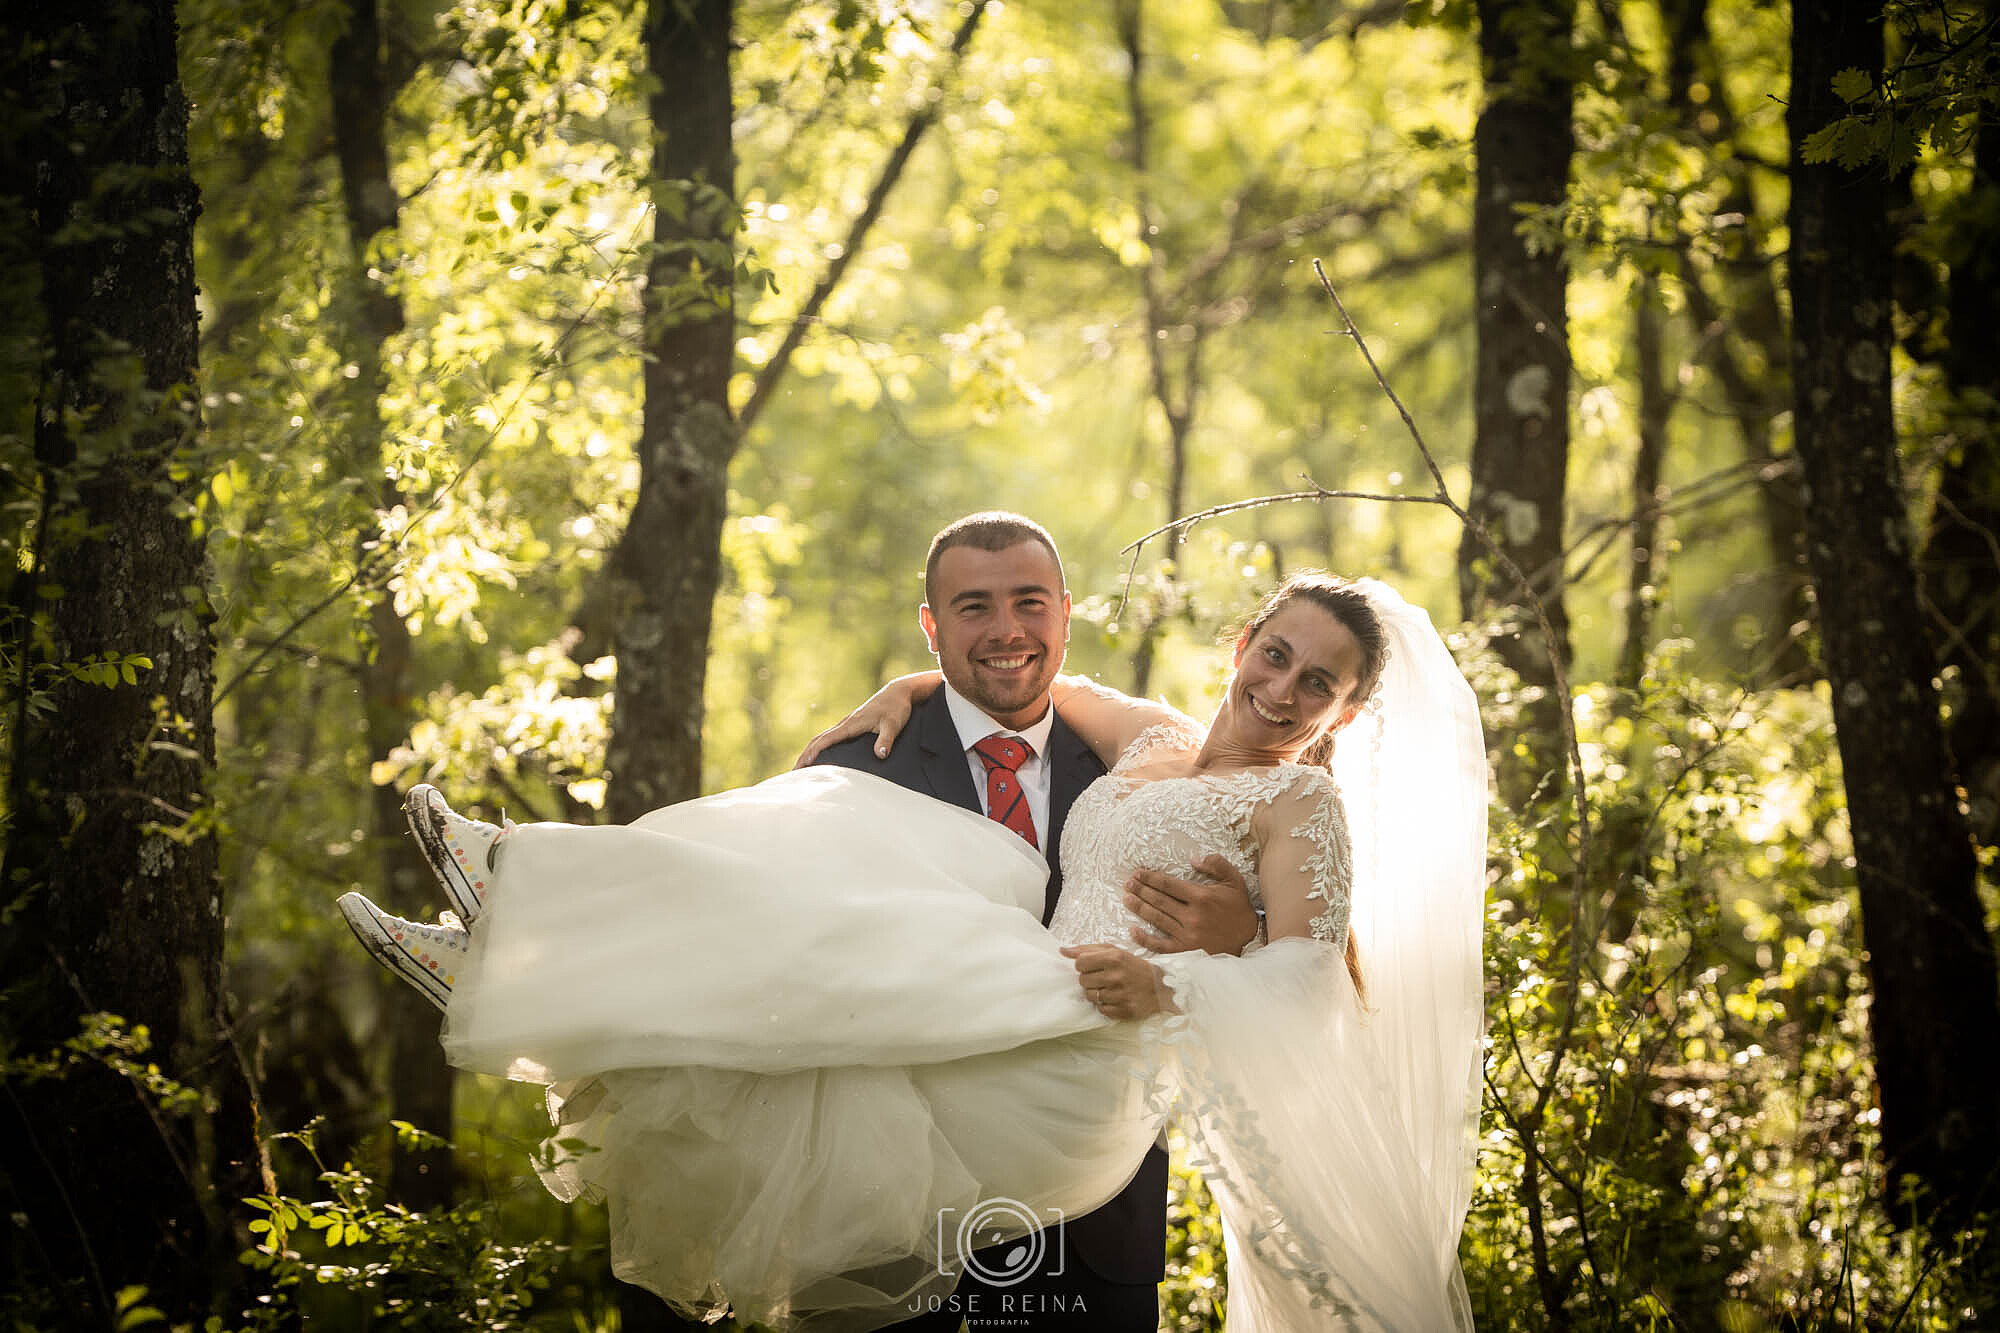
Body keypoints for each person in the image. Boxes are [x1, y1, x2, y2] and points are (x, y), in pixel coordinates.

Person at [337, 560, 1487, 1332]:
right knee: (848, 837)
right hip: (1015, 999)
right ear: (1243, 640)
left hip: (1086, 1054)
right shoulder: (1153, 738)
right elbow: (1035, 675)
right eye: (1276, 653)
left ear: (1342, 715)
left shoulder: (1298, 810)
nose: (1282, 689)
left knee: (874, 929)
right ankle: (506, 934)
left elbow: (1306, 982)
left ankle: (522, 941)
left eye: (1317, 684)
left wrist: (1182, 975)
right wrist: (909, 674)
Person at [797, 512, 1259, 1330]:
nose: (1007, 630)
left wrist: (1238, 938)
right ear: (931, 627)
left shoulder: (1147, 771)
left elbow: (1276, 953)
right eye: (973, 607)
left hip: (1095, 1217)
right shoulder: (854, 768)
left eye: (1030, 602)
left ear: (1067, 613)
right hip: (904, 1217)